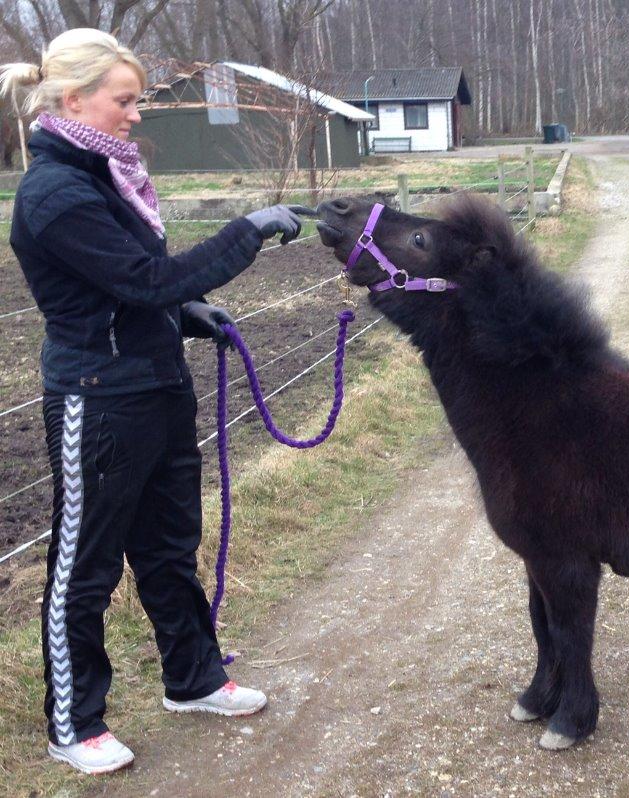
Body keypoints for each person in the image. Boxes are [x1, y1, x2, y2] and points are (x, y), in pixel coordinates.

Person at [0, 28, 310, 776]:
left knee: (170, 549)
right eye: (126, 100)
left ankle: (193, 679)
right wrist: (246, 233)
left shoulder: (106, 174)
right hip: (98, 400)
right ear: (74, 99)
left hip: (157, 385)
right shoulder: (57, 192)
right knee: (86, 567)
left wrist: (187, 314)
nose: (137, 115)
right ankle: (73, 725)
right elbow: (144, 281)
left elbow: (140, 287)